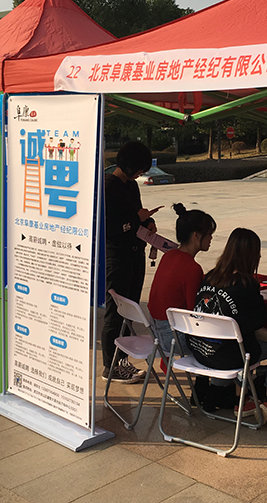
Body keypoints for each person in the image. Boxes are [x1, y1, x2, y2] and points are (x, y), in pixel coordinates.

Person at [187, 228, 267, 424]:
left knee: (241, 340)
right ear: (252, 256)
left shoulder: (210, 276)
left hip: (200, 351)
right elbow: (260, 319)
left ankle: (242, 401)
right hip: (226, 357)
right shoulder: (246, 284)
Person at [102, 142, 162, 383]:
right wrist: (136, 218)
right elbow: (111, 227)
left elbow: (137, 214)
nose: (140, 174)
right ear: (128, 165)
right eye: (138, 169)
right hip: (117, 256)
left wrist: (148, 224)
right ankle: (110, 366)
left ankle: (122, 361)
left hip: (135, 253)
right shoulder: (108, 186)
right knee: (116, 311)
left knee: (131, 310)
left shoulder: (132, 186)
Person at [148, 203, 216, 354]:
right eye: (209, 234)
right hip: (174, 337)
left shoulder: (169, 255)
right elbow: (196, 313)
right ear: (196, 236)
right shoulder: (192, 268)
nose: (211, 238)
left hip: (156, 332)